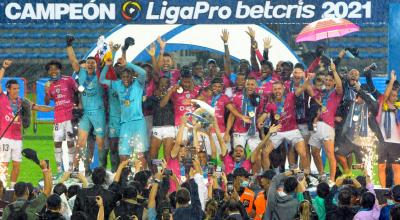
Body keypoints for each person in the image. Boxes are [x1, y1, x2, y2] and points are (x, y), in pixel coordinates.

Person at [0, 60, 53, 187]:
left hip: (18, 138)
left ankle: (12, 188)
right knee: (4, 165)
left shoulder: (22, 101)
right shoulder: (2, 98)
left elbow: (38, 107)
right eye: (14, 89)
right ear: (8, 89)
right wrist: (3, 68)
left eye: (18, 88)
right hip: (5, 137)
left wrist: (56, 109)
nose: (17, 91)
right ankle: (2, 188)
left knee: (17, 164)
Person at [66, 35, 107, 171]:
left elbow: (106, 62)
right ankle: (80, 169)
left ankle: (101, 169)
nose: (90, 64)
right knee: (80, 142)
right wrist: (69, 45)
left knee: (100, 143)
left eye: (93, 63)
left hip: (98, 113)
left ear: (96, 65)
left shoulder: (101, 75)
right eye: (88, 62)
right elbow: (73, 60)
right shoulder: (82, 73)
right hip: (86, 114)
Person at [100, 51, 149, 164]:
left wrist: (128, 64)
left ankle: (142, 178)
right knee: (123, 155)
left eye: (128, 76)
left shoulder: (138, 84)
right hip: (125, 124)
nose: (125, 78)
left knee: (140, 155)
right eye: (123, 76)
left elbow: (143, 73)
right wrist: (107, 66)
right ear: (120, 77)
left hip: (138, 122)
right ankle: (124, 178)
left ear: (132, 76)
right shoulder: (117, 84)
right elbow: (102, 80)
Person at [261, 80, 311, 173]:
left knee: (303, 153)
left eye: (279, 89)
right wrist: (260, 122)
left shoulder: (290, 96)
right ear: (272, 91)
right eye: (275, 89)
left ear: (283, 89)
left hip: (292, 130)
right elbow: (263, 117)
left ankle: (306, 175)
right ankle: (266, 175)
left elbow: (301, 88)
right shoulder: (270, 104)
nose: (277, 91)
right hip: (278, 131)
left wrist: (307, 80)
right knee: (265, 152)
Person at [309, 62, 343, 182]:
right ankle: (322, 174)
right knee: (314, 151)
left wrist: (334, 71)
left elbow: (339, 86)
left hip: (328, 127)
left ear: (333, 82)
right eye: (326, 80)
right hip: (317, 125)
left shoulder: (336, 93)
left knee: (329, 154)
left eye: (330, 80)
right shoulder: (322, 93)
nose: (328, 82)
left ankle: (332, 180)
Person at [44, 60, 78, 176]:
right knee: (57, 142)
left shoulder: (68, 80)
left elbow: (78, 92)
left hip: (70, 116)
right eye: (50, 69)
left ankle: (70, 169)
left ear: (60, 69)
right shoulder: (49, 84)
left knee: (70, 142)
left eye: (55, 68)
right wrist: (46, 91)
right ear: (48, 72)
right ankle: (59, 170)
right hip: (58, 117)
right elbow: (47, 102)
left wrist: (78, 107)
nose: (53, 71)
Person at [376, 71, 400, 186]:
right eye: (393, 95)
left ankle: (397, 191)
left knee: (396, 168)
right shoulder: (382, 104)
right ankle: (383, 191)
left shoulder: (399, 108)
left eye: (396, 96)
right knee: (381, 166)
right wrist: (391, 80)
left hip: (396, 142)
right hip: (383, 141)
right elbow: (385, 95)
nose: (395, 98)